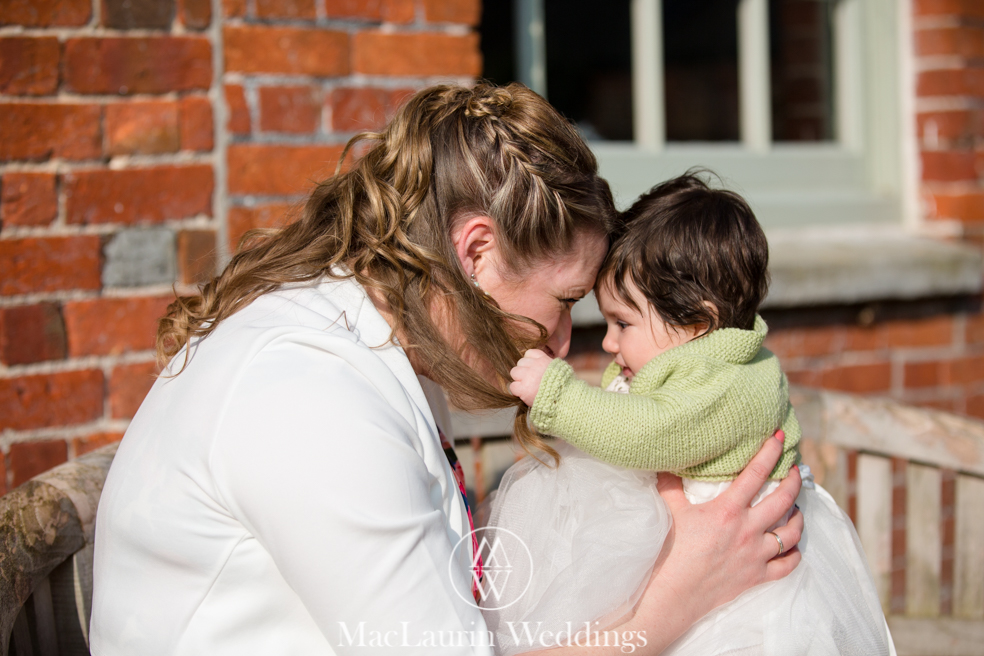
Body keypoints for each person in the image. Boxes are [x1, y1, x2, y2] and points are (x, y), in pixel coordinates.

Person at [90, 85, 804, 656]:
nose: (563, 344)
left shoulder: (378, 340)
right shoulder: (312, 402)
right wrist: (670, 605)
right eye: (562, 303)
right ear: (476, 252)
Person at [497, 173, 894, 655]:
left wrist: (558, 395)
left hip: (739, 583)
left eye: (622, 322)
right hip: (697, 556)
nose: (607, 342)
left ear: (698, 323)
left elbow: (648, 433)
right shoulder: (704, 362)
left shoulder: (728, 386)